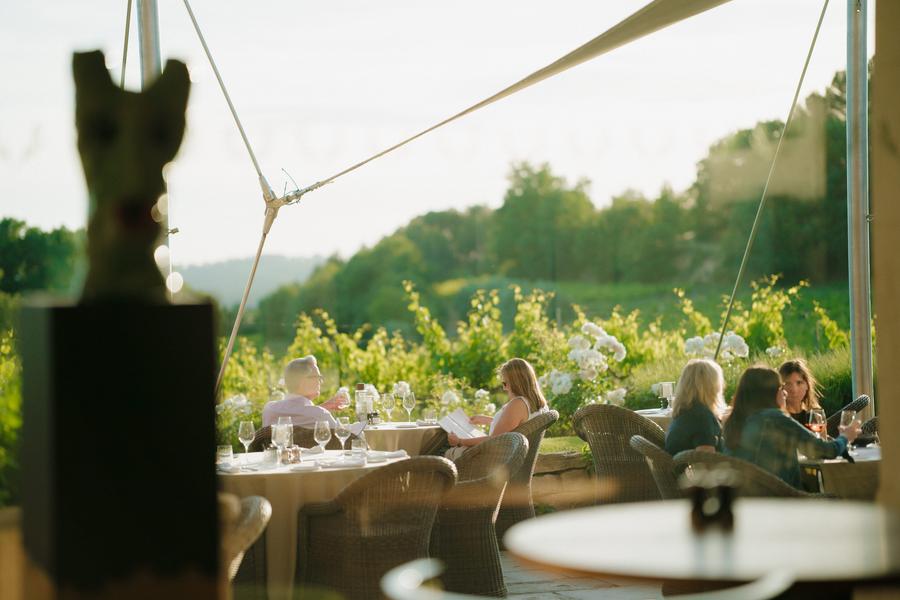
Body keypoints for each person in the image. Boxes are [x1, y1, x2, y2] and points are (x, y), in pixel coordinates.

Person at [723, 366, 860, 488]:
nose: (785, 393)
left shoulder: (734, 420)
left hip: (744, 501)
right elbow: (824, 450)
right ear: (770, 393)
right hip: (781, 500)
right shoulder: (774, 418)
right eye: (781, 387)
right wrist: (845, 437)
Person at [446, 358, 549, 458]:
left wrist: (460, 441)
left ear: (516, 383)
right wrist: (489, 420)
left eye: (505, 383)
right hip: (512, 456)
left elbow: (494, 440)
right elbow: (516, 425)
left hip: (493, 460)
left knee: (444, 450)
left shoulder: (518, 404)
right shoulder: (539, 403)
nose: (504, 388)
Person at [665, 358, 726, 455]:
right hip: (693, 469)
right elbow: (706, 459)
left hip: (678, 467)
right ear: (712, 386)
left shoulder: (685, 411)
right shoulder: (702, 416)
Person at [261, 356, 341, 428]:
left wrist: (322, 407)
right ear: (303, 382)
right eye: (317, 377)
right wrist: (321, 409)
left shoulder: (269, 410)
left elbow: (298, 413)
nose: (321, 381)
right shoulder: (320, 415)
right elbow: (343, 434)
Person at [778, 358, 823, 426]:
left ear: (807, 385)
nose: (794, 389)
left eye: (799, 383)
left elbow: (822, 437)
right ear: (780, 387)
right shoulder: (776, 419)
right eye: (787, 383)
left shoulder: (814, 418)